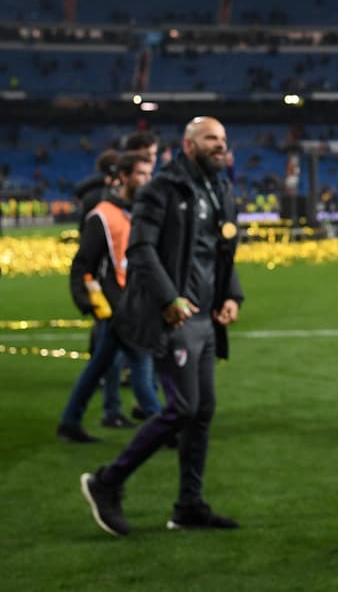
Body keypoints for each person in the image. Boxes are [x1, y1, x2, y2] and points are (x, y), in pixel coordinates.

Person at [79, 116, 245, 537]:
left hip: (207, 318)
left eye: (223, 139)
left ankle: (188, 505)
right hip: (177, 317)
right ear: (189, 145)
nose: (219, 145)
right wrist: (169, 298)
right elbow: (140, 248)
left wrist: (231, 295)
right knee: (183, 408)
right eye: (211, 138)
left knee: (202, 411)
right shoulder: (162, 189)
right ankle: (106, 481)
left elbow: (221, 252)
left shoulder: (220, 188)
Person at [56, 152, 163, 443]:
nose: (146, 180)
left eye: (148, 173)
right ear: (124, 176)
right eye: (140, 174)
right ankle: (164, 428)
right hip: (117, 307)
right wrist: (89, 302)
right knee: (141, 365)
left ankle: (69, 421)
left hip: (135, 304)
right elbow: (83, 264)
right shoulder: (102, 215)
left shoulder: (140, 212)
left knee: (98, 368)